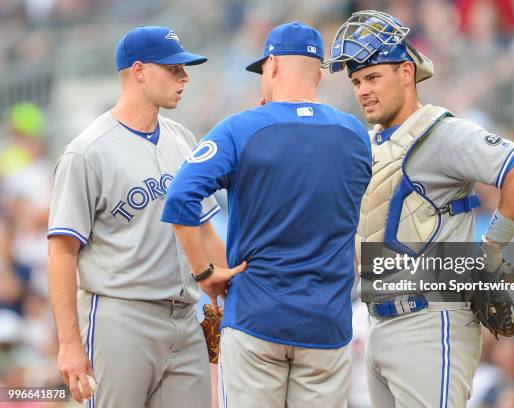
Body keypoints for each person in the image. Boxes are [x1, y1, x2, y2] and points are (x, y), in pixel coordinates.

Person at [324, 10, 514, 408]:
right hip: (379, 322)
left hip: (430, 321)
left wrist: (490, 250)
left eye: (373, 77)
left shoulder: (440, 132)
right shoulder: (373, 142)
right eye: (357, 81)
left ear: (406, 72)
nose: (362, 90)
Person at [161, 22, 372, 408]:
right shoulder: (355, 133)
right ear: (320, 74)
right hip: (327, 322)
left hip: (257, 317)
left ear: (271, 66)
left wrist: (205, 274)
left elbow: (180, 199)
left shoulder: (241, 129)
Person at [47, 26, 225, 407]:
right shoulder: (87, 152)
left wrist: (226, 298)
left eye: (184, 69)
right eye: (173, 69)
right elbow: (61, 253)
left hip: (185, 316)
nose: (185, 77)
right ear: (139, 70)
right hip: (121, 316)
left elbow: (205, 229)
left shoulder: (183, 139)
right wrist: (69, 345)